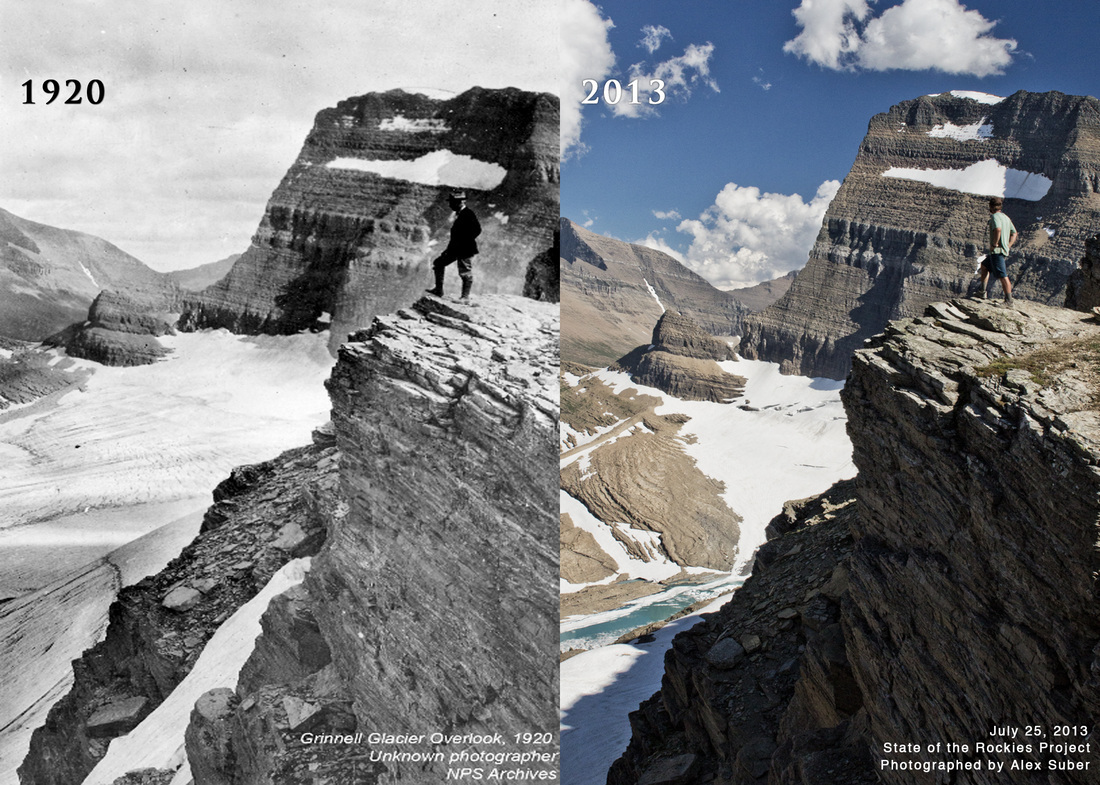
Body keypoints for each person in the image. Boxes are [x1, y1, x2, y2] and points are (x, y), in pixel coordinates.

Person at [426, 190, 481, 300]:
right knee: (438, 263)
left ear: (459, 202)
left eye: (452, 202)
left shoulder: (468, 214)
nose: (450, 205)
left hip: (465, 249)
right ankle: (438, 290)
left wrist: (465, 241)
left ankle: (465, 297)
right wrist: (449, 250)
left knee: (465, 272)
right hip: (455, 249)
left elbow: (477, 230)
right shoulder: (460, 214)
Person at [979, 196, 1017, 304]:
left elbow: (998, 229)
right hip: (1000, 251)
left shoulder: (995, 217)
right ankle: (982, 291)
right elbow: (1014, 233)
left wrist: (995, 244)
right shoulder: (1006, 217)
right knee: (984, 265)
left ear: (991, 207)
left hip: (997, 252)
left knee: (1003, 275)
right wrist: (1008, 245)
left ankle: (1009, 301)